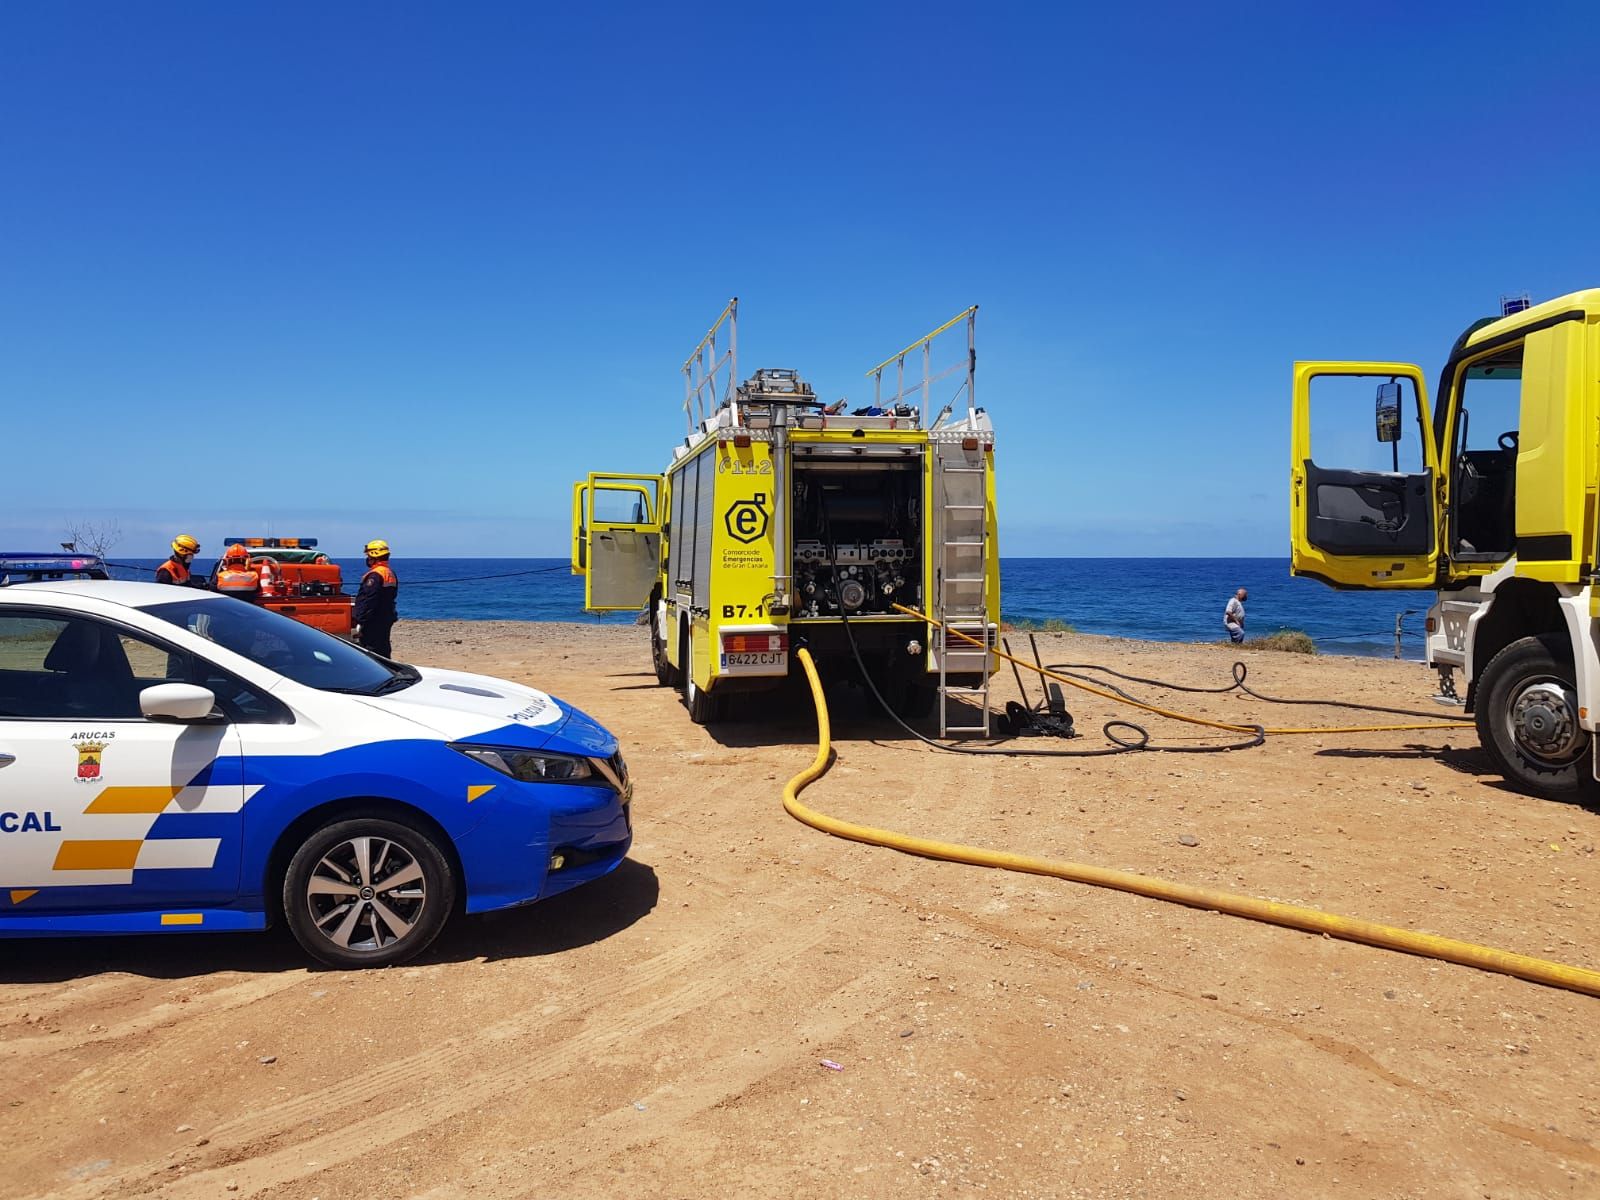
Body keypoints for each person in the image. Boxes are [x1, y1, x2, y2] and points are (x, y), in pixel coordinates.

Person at [353, 538, 399, 657]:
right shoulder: (389, 572)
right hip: (385, 616)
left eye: (368, 556)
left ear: (374, 556)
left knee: (371, 650)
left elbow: (369, 599)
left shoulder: (375, 575)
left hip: (374, 619)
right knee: (383, 648)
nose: (367, 559)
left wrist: (360, 619)